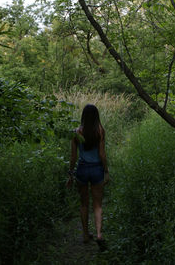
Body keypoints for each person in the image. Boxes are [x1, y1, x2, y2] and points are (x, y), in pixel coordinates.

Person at [67, 104, 109, 251]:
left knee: (84, 204)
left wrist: (71, 174)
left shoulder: (76, 132)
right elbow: (102, 155)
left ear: (83, 116)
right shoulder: (100, 131)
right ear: (96, 115)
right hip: (97, 169)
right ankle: (98, 234)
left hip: (82, 170)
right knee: (97, 205)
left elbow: (73, 157)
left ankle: (85, 235)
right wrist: (106, 171)